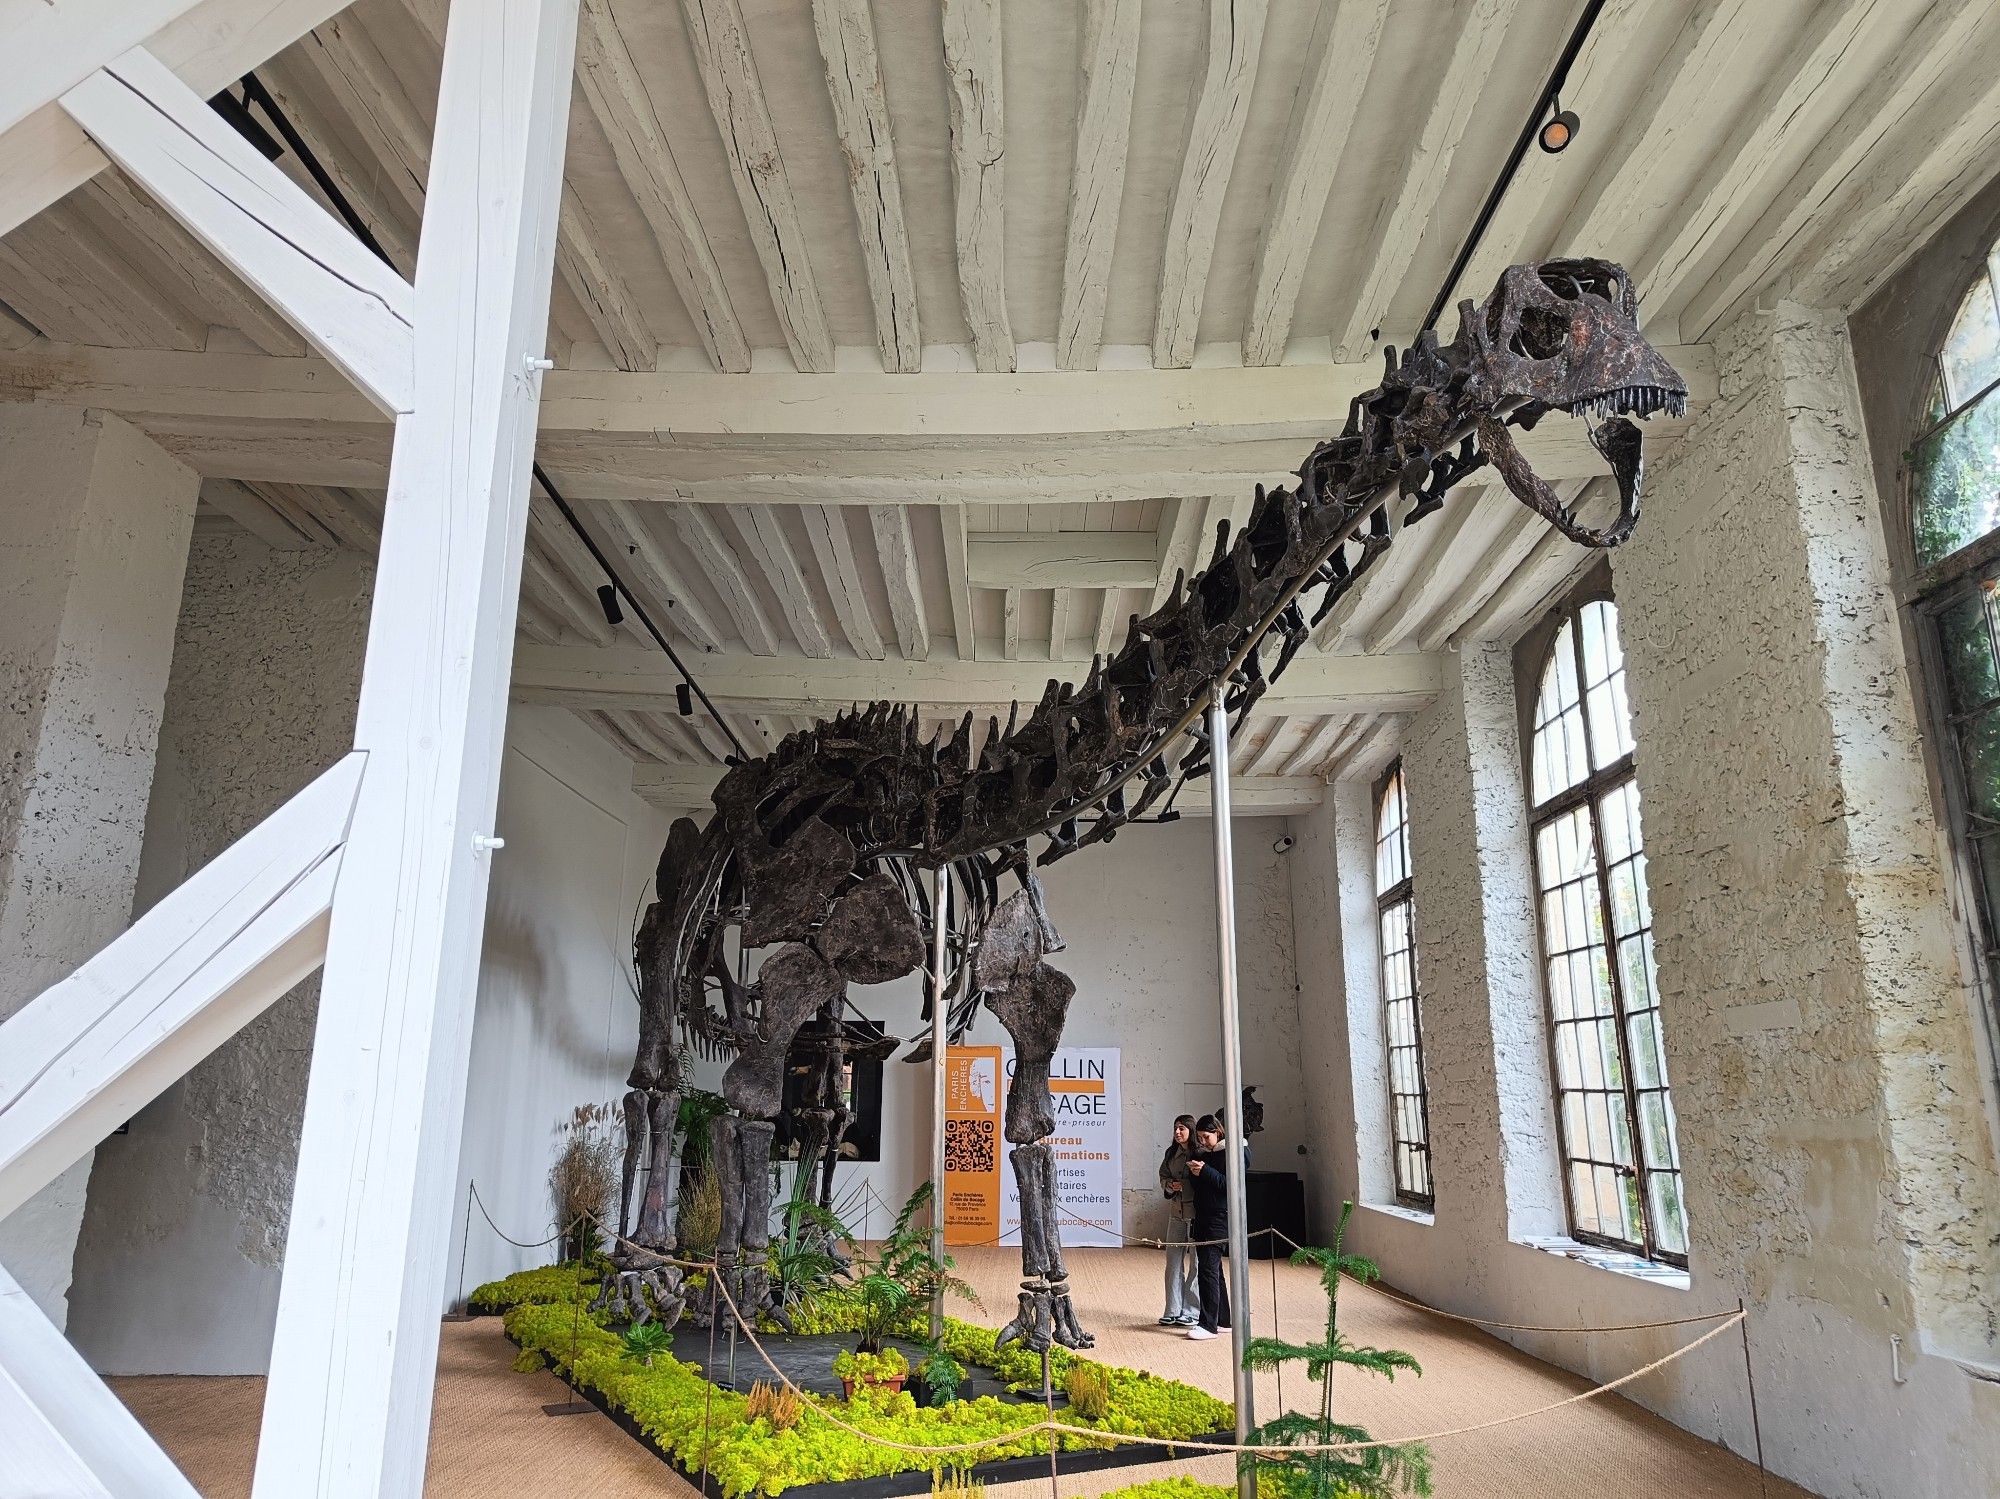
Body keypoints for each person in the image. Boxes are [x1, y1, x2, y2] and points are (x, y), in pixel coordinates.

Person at [1184, 1115, 1231, 1340]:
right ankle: (1223, 1320)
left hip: (1218, 1220)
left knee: (1208, 1271)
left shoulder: (1232, 1152)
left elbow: (1226, 1184)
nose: (1203, 1141)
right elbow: (1204, 1186)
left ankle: (1208, 1325)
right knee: (1215, 1271)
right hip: (1204, 1217)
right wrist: (1196, 1173)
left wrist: (1204, 1171)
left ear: (1218, 1133)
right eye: (1200, 1137)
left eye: (1207, 1136)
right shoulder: (1205, 1154)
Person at [1157, 1115, 1199, 1327]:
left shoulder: (1199, 1153)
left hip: (1196, 1213)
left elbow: (1205, 1181)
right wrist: (1169, 1185)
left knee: (1196, 1264)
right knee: (1173, 1260)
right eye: (1175, 1128)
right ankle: (1172, 1309)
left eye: (1182, 1128)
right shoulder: (1171, 1152)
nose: (1177, 1132)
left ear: (1190, 1130)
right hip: (1176, 1211)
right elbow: (1163, 1174)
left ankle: (1191, 1311)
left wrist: (1185, 1185)